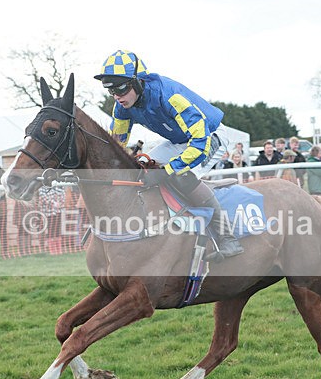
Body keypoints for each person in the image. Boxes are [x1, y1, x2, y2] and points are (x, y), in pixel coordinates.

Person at [94, 49, 243, 261]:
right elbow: (115, 146)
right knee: (141, 168)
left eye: (121, 88)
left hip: (209, 136)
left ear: (138, 82)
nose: (117, 96)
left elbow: (200, 142)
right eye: (111, 90)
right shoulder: (122, 107)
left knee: (180, 175)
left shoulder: (169, 96)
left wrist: (168, 170)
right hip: (177, 141)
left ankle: (227, 238)